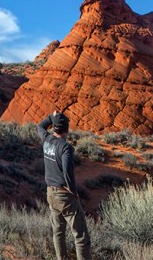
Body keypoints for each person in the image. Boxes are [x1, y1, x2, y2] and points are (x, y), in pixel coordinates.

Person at [37, 111, 91, 260]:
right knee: (81, 236)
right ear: (67, 129)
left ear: (54, 128)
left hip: (50, 193)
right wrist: (73, 191)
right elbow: (68, 172)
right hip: (65, 195)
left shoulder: (47, 139)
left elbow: (40, 126)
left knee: (58, 232)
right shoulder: (65, 148)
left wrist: (51, 117)